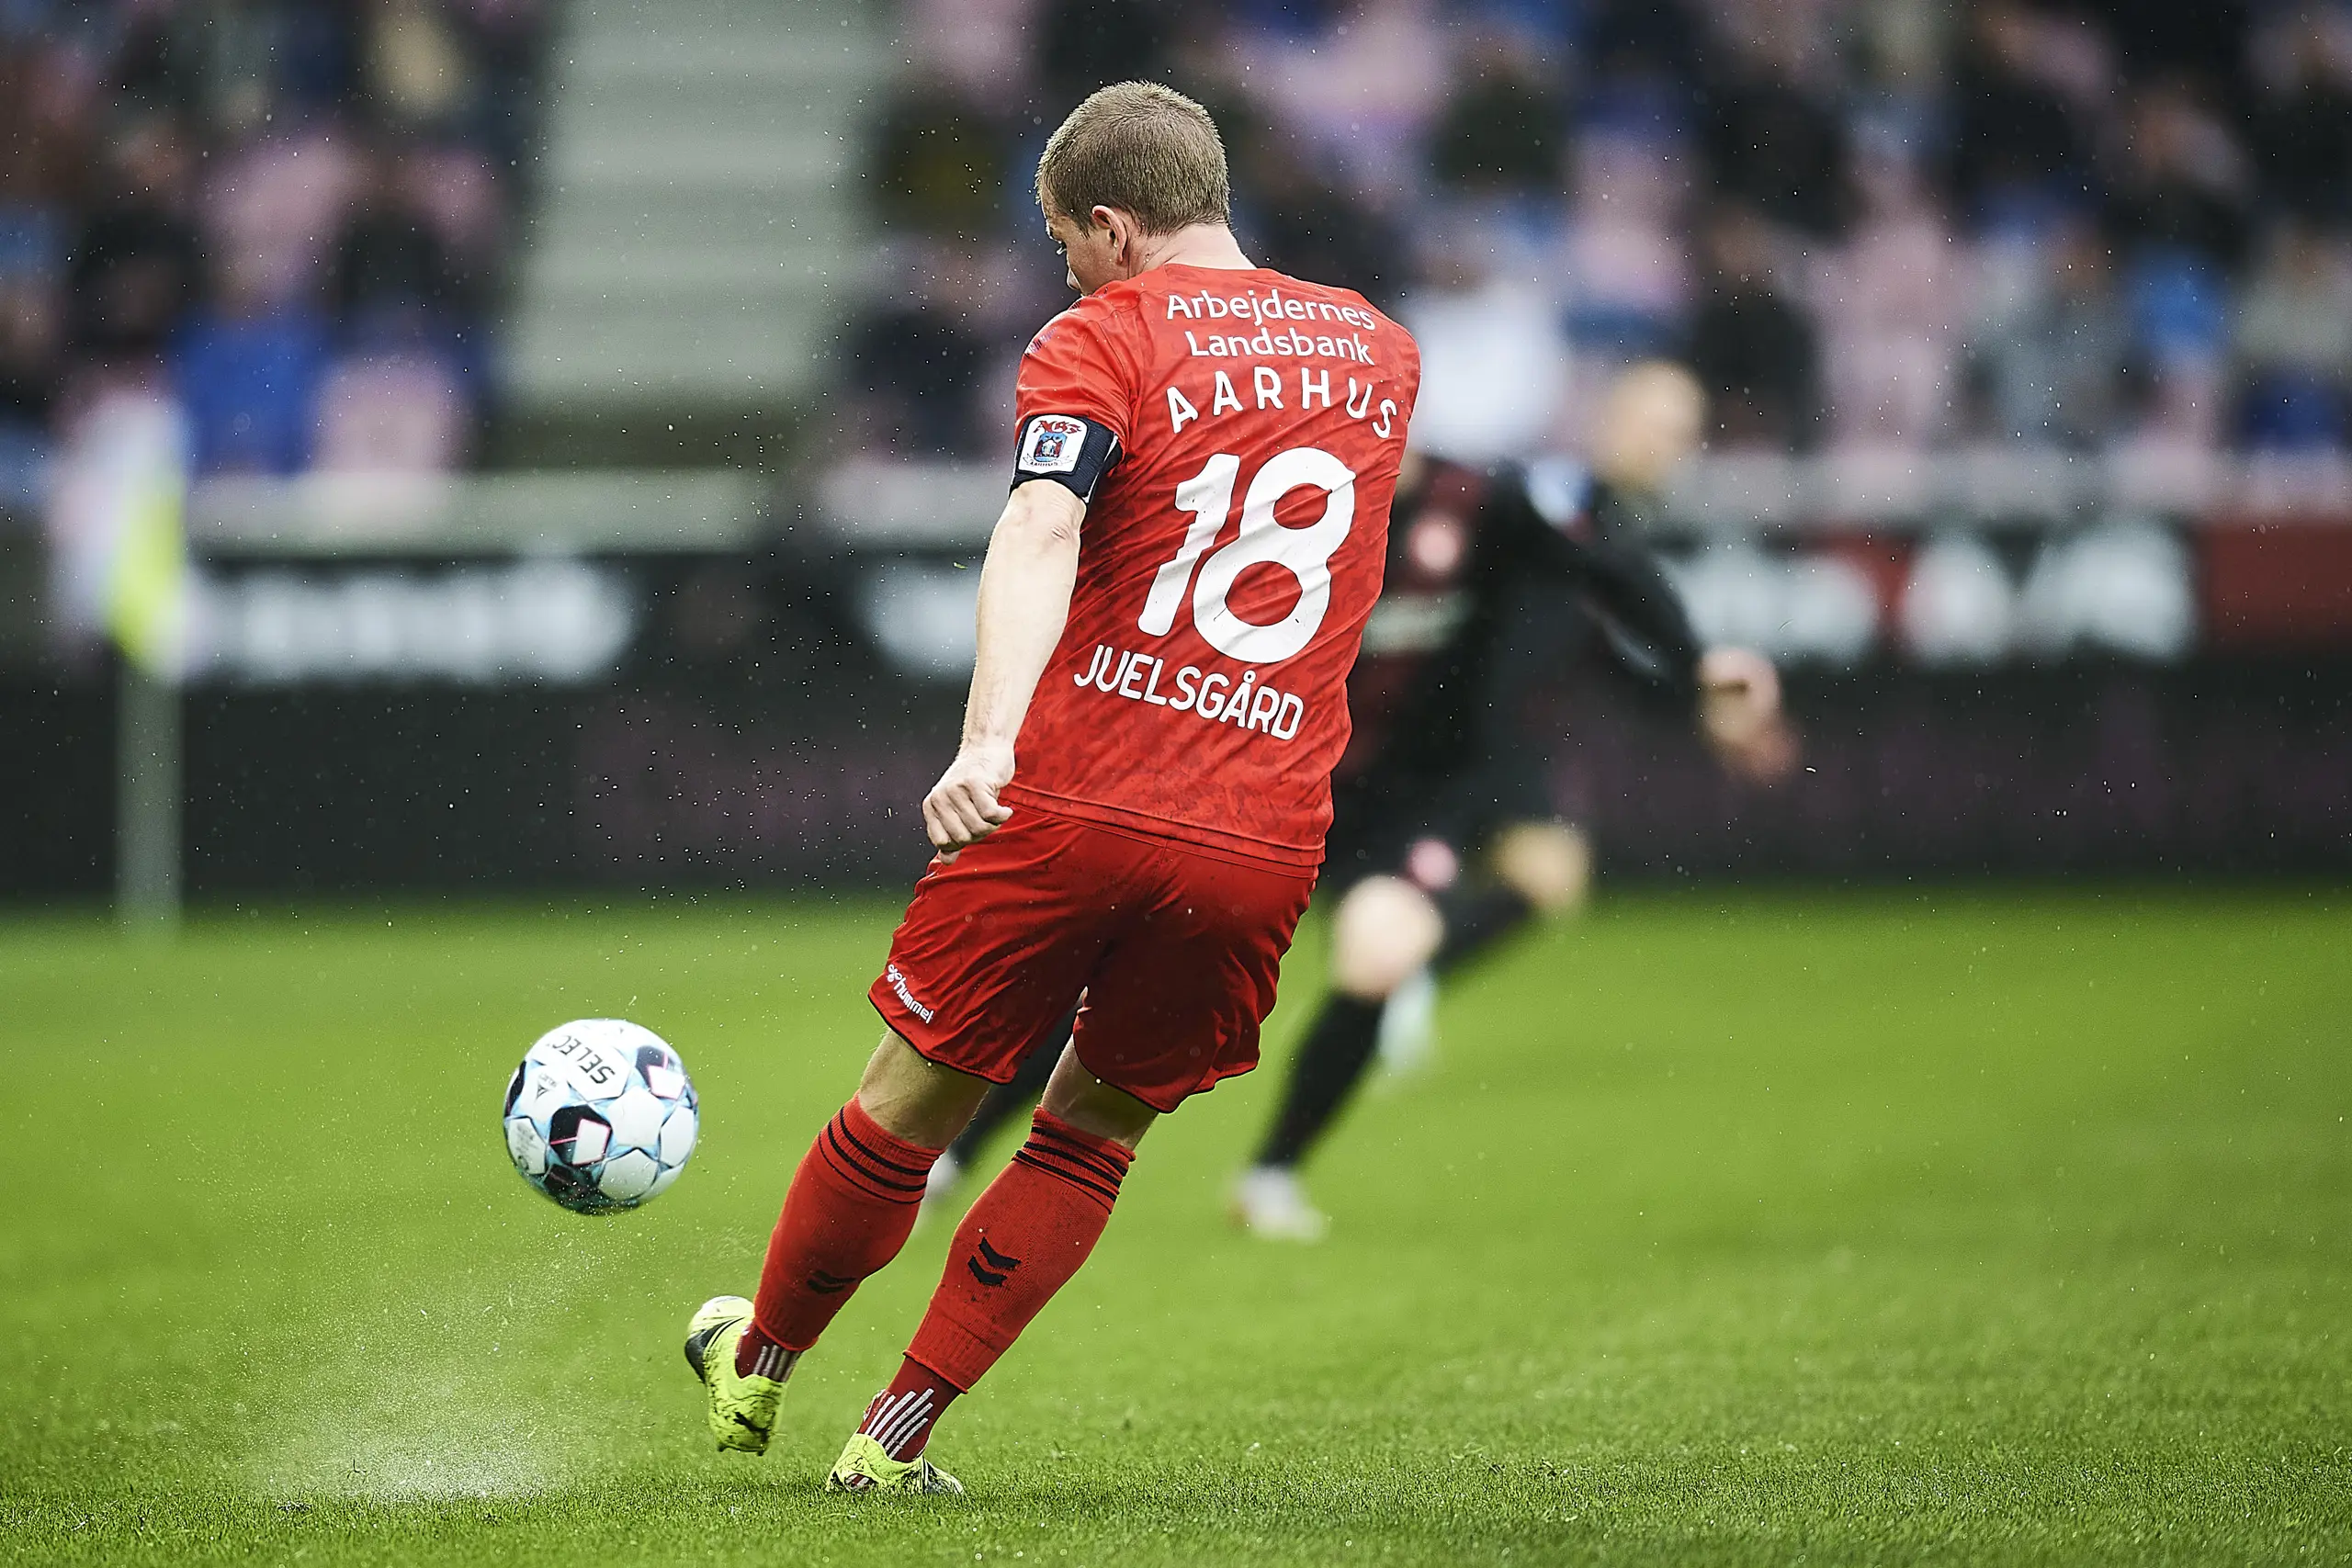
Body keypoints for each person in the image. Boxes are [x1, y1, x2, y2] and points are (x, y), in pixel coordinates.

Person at [683, 81, 1420, 1495]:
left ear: (1113, 225)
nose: (1068, 274)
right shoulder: (1379, 351)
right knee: (1093, 1129)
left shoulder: (1102, 335)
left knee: (909, 1100)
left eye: (1069, 244)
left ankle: (758, 1361)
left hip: (1081, 790)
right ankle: (894, 1436)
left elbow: (1039, 524)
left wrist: (986, 740)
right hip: (1261, 828)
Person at [927, 363, 1794, 1241]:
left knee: (1383, 952)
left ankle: (1270, 1174)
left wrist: (1694, 664)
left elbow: (1605, 567)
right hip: (1263, 778)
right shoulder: (1269, 493)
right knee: (1121, 978)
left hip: (1399, 798)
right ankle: (953, 1156)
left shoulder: (1479, 502)